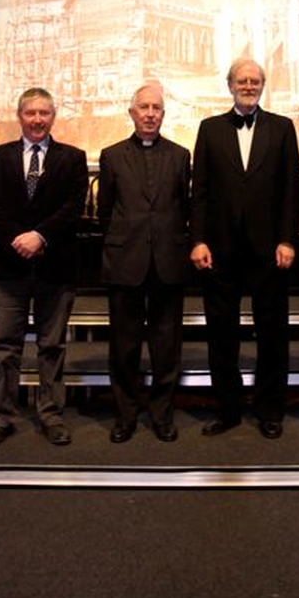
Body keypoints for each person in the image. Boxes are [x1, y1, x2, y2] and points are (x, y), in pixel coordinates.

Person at [190, 57, 299, 439]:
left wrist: (288, 239)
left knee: (272, 332)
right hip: (219, 251)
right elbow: (199, 191)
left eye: (255, 80)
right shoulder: (209, 129)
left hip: (269, 250)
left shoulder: (283, 128)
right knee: (222, 334)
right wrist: (198, 240)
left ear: (263, 85)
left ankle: (271, 410)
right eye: (242, 80)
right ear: (230, 85)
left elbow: (290, 191)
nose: (248, 85)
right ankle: (228, 410)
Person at [0, 87, 88, 448]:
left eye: (44, 113)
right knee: (5, 347)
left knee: (51, 346)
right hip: (8, 269)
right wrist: (20, 238)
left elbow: (73, 208)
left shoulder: (72, 158)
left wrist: (40, 236)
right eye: (31, 113)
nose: (38, 119)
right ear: (19, 116)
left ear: (53, 116)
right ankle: (2, 417)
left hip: (55, 267)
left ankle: (51, 415)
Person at [97, 83, 191, 443]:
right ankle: (125, 415)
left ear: (163, 115)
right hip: (125, 262)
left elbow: (185, 206)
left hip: (168, 261)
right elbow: (105, 210)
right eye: (144, 107)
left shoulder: (181, 155)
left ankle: (162, 415)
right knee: (124, 347)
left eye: (156, 108)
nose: (150, 113)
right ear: (132, 113)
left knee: (167, 348)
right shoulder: (111, 155)